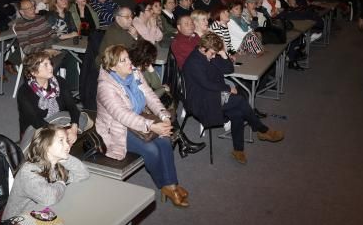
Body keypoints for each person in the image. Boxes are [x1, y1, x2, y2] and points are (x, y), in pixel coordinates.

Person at [96, 44, 189, 207]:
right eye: (123, 61)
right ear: (112, 67)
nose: (129, 63)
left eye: (128, 58)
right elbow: (122, 115)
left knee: (165, 139)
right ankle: (165, 185)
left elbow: (150, 95)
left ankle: (172, 185)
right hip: (118, 128)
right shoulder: (106, 87)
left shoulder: (134, 73)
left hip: (139, 118)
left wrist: (163, 115)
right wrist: (152, 126)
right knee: (151, 150)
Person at [181, 33, 283, 164]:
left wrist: (223, 54)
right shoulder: (194, 61)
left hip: (212, 93)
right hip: (201, 99)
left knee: (238, 112)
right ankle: (262, 129)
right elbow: (205, 84)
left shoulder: (210, 54)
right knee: (240, 100)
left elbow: (228, 69)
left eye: (215, 53)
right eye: (212, 53)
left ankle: (238, 150)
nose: (213, 56)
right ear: (202, 48)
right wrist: (228, 89)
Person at [16, 50, 87, 150]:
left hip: (59, 122)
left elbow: (72, 107)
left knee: (82, 119)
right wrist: (62, 135)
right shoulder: (24, 93)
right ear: (34, 72)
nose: (50, 67)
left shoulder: (59, 82)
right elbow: (36, 122)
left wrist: (74, 128)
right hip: (37, 130)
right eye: (45, 65)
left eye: (50, 63)